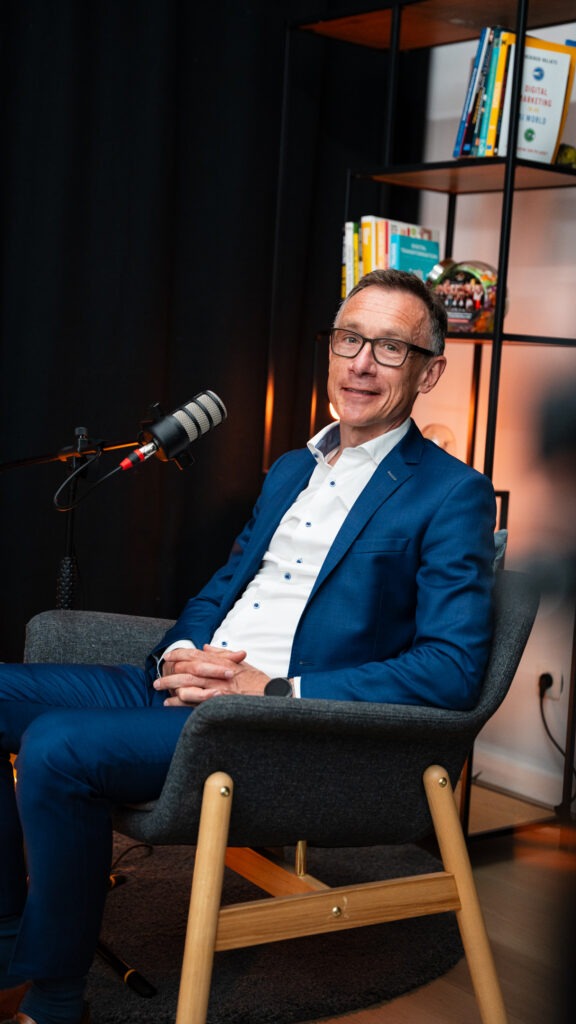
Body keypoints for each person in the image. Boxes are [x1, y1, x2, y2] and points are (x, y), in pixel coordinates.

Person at [0, 268, 496, 1024]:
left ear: (429, 372)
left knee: (57, 744)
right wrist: (182, 651)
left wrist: (269, 690)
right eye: (349, 339)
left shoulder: (451, 492)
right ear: (330, 349)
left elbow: (451, 668)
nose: (362, 363)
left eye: (391, 348)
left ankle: (55, 1000)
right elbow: (224, 584)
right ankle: (11, 942)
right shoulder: (293, 467)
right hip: (190, 681)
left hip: (268, 721)